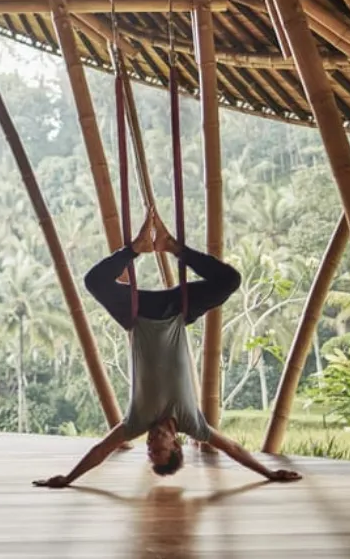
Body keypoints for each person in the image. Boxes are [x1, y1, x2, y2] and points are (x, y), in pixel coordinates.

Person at [34, 209, 301, 488]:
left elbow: (101, 449)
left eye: (149, 452)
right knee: (229, 281)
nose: (150, 445)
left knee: (94, 282)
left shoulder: (135, 422)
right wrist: (270, 474)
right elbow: (233, 449)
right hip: (177, 312)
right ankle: (173, 247)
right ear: (176, 445)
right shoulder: (192, 423)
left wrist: (68, 478)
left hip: (136, 314)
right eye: (158, 450)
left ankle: (136, 249)